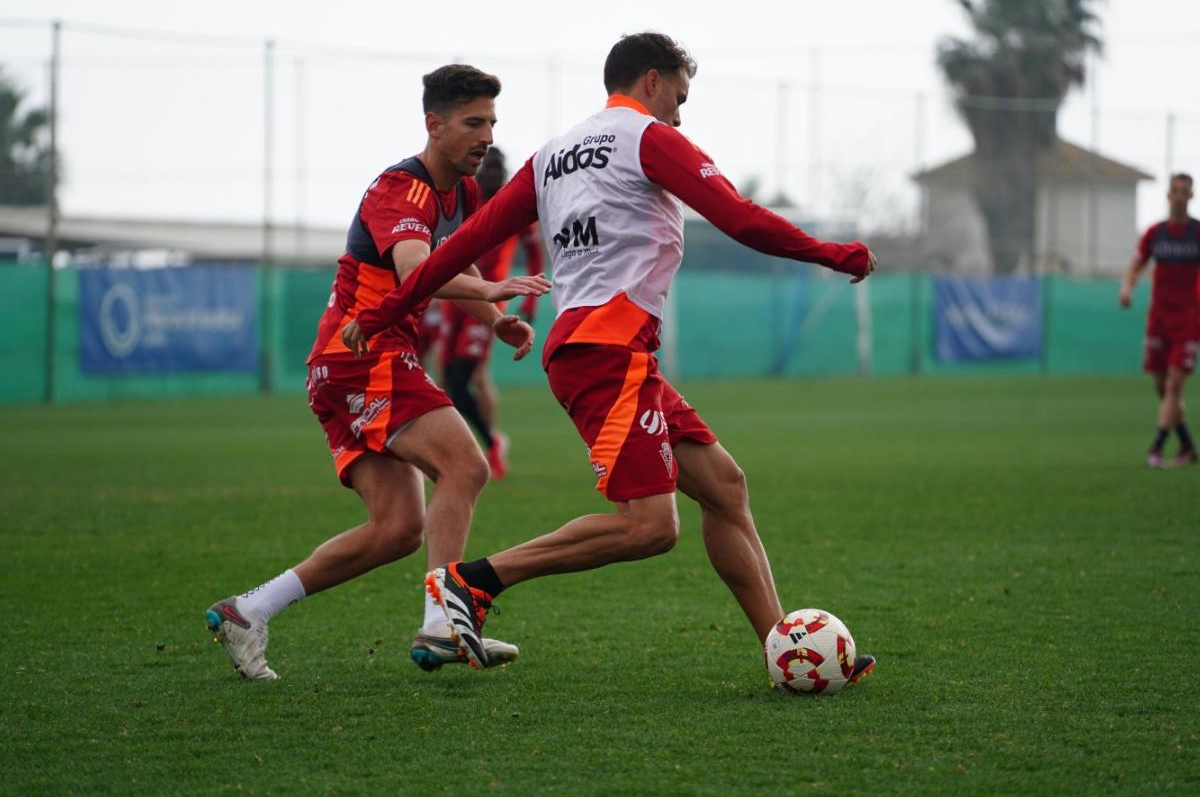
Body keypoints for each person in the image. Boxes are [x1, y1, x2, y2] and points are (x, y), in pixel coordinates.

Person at [343, 33, 878, 681]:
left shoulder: (553, 156)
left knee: (724, 487)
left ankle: (782, 648)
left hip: (602, 349)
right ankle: (472, 582)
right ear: (651, 81)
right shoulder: (648, 138)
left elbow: (460, 247)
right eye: (679, 97)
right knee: (651, 526)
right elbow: (739, 218)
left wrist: (382, 311)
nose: (680, 114)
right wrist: (835, 255)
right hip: (606, 350)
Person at [203, 64, 551, 680]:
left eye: (492, 123)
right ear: (433, 124)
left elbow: (445, 267)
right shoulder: (402, 189)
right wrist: (495, 287)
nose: (486, 135)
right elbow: (419, 265)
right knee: (465, 465)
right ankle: (444, 624)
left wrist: (493, 317)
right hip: (361, 356)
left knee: (397, 529)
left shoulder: (463, 194)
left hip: (353, 362)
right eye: (473, 122)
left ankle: (247, 611)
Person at [438, 146, 544, 478]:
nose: (493, 174)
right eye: (488, 167)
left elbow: (535, 250)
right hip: (456, 298)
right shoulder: (465, 197)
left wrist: (529, 302)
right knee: (449, 379)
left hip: (489, 301)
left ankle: (489, 443)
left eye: (498, 168)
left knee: (468, 380)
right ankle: (482, 444)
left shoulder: (512, 205)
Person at [1119, 172, 1200, 468]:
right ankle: (1188, 446)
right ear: (1168, 195)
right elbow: (1135, 266)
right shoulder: (1155, 233)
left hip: (1189, 318)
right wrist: (1127, 289)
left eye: (1185, 191)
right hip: (1159, 318)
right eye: (1175, 190)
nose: (1179, 195)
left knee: (1175, 385)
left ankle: (1156, 446)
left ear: (1191, 196)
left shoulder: (1197, 233)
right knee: (1160, 385)